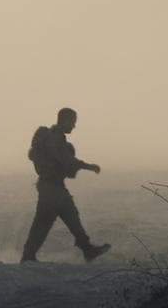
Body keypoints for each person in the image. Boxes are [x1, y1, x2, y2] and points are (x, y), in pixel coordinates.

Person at [20, 107, 110, 263]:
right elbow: (66, 160)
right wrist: (88, 166)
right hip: (50, 188)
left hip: (55, 187)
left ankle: (87, 249)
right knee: (43, 223)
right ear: (64, 120)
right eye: (73, 122)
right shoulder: (55, 138)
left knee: (71, 215)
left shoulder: (56, 138)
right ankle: (28, 256)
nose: (74, 126)